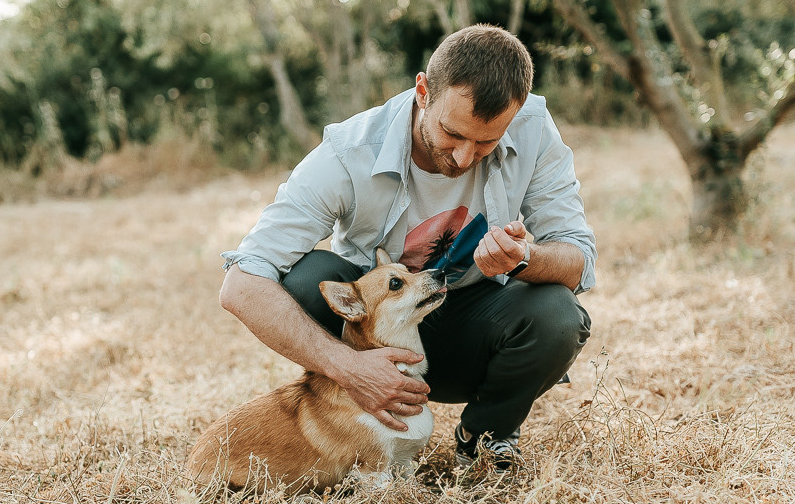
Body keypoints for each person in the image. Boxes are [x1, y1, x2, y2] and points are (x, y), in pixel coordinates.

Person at [220, 24, 595, 471]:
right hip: (373, 333)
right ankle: (353, 426)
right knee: (305, 280)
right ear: (423, 91)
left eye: (486, 142)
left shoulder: (534, 128)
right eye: (452, 133)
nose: (463, 158)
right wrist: (348, 367)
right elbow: (240, 285)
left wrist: (524, 258)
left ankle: (487, 437)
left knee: (558, 313)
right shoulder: (348, 152)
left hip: (474, 328)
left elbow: (578, 260)